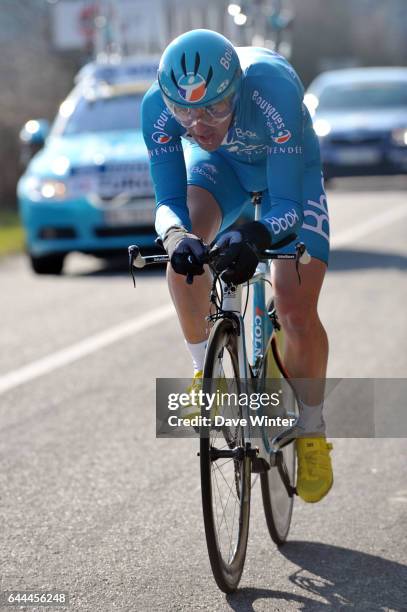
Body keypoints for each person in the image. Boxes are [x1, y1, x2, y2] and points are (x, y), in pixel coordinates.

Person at [142, 29, 333, 503]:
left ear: (238, 91)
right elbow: (168, 202)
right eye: (186, 113)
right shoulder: (156, 109)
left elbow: (286, 202)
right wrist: (177, 236)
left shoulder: (271, 90)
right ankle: (205, 376)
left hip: (288, 174)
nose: (201, 125)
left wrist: (256, 233)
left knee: (293, 309)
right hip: (220, 169)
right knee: (184, 260)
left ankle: (310, 428)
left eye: (215, 109)